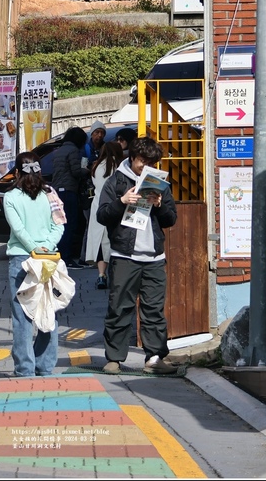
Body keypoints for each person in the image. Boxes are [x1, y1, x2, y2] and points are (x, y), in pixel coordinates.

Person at [97, 137, 178, 375]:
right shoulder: (116, 181)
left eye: (152, 162)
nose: (146, 166)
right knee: (120, 307)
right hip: (124, 255)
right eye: (143, 161)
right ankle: (114, 358)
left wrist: (161, 205)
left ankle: (154, 358)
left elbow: (171, 219)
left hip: (154, 257)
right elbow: (101, 215)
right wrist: (122, 202)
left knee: (153, 309)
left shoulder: (161, 183)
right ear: (132, 158)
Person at [3, 152, 65, 378]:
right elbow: (59, 225)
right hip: (48, 259)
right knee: (49, 312)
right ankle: (45, 365)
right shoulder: (50, 194)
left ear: (17, 172)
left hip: (22, 259)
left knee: (22, 317)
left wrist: (32, 248)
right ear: (39, 170)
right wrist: (46, 246)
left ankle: (25, 368)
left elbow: (18, 229)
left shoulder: (10, 197)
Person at [83, 141, 124, 289]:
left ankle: (101, 275)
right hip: (116, 206)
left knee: (100, 241)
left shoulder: (96, 166)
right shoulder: (121, 167)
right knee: (115, 240)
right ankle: (117, 275)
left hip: (97, 206)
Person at [51, 127, 90, 269]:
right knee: (69, 224)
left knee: (59, 224)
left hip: (57, 191)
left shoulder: (58, 151)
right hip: (68, 191)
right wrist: (86, 170)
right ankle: (66, 258)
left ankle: (59, 256)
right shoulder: (74, 151)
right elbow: (76, 172)